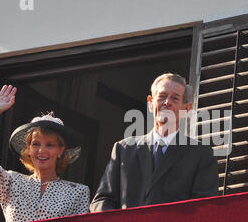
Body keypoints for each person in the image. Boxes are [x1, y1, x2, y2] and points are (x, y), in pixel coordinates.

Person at [90, 73, 218, 211]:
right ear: (150, 103)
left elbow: (204, 208)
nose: (167, 102)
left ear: (186, 109)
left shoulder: (200, 155)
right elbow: (102, 201)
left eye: (175, 98)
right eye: (162, 96)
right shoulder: (124, 149)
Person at [0, 85, 90, 222]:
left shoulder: (78, 192)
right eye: (36, 144)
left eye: (50, 145)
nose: (41, 151)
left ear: (61, 150)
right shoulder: (11, 182)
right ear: (28, 149)